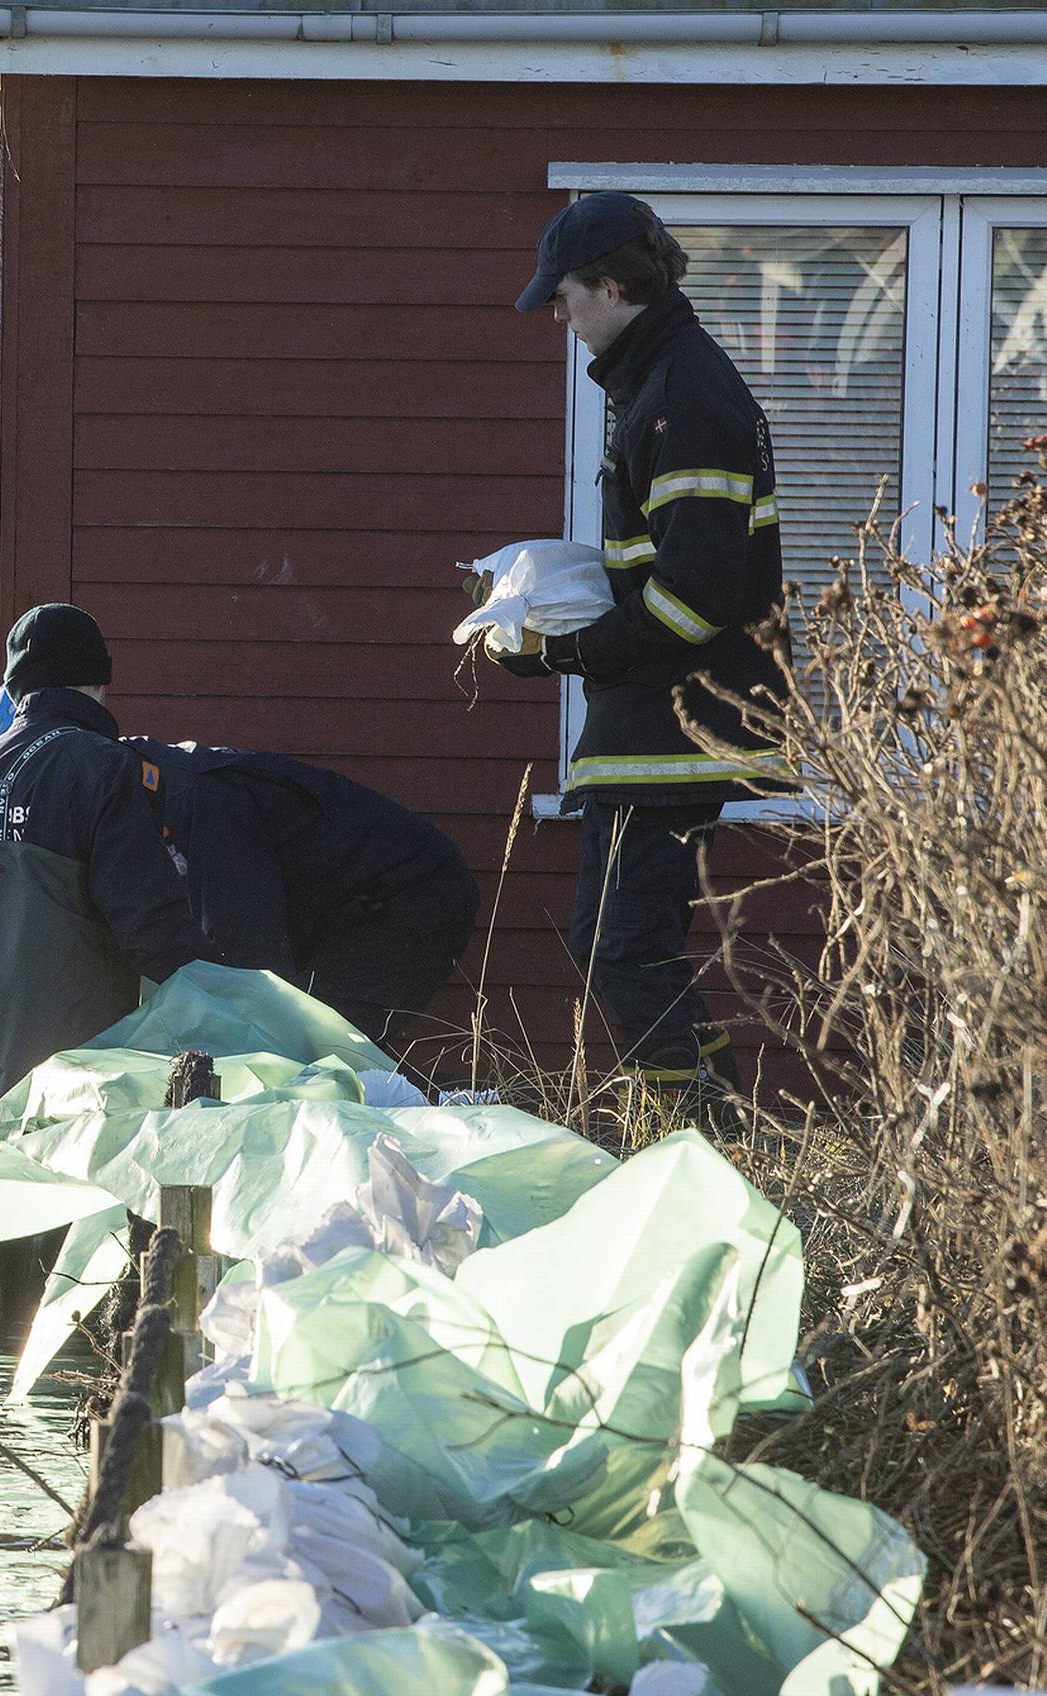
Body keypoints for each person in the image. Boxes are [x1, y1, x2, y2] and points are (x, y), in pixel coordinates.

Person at [491, 193, 788, 1098]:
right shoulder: (656, 385)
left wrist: (564, 652)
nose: (557, 313)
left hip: (673, 732)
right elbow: (665, 567)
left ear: (614, 287)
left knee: (626, 951)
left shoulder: (681, 398)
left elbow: (696, 597)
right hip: (649, 728)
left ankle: (710, 1147)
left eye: (566, 295)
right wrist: (560, 603)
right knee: (612, 945)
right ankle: (708, 1139)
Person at [0, 605, 206, 1299]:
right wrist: (226, 1006)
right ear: (96, 687)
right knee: (50, 1323)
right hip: (59, 1093)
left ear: (16, 691)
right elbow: (155, 931)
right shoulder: (99, 768)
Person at [125, 738, 479, 1051]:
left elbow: (247, 943)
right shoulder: (147, 779)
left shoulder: (196, 796)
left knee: (317, 1044)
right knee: (298, 1039)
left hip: (404, 894)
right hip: (328, 905)